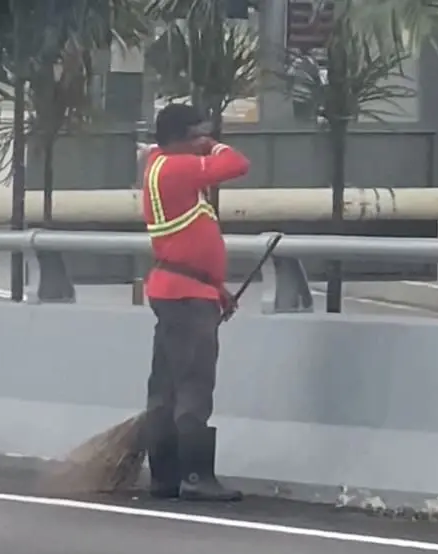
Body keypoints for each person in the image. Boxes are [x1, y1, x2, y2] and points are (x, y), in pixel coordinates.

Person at [141, 103, 250, 502]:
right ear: (179, 138)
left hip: (183, 289)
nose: (202, 141)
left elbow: (185, 248)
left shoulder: (159, 164)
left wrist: (217, 290)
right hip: (187, 299)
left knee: (167, 385)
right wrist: (215, 146)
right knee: (193, 385)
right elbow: (238, 164)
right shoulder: (176, 168)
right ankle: (194, 475)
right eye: (197, 135)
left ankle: (164, 475)